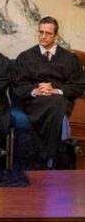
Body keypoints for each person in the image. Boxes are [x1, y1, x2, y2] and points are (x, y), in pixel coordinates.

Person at [12, 16, 85, 167]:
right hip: (35, 102)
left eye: (48, 33)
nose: (43, 36)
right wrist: (35, 90)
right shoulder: (26, 57)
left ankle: (48, 155)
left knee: (58, 102)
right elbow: (17, 85)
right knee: (60, 105)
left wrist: (56, 90)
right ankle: (63, 151)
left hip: (61, 98)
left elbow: (78, 86)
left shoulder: (70, 59)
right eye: (41, 32)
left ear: (56, 35)